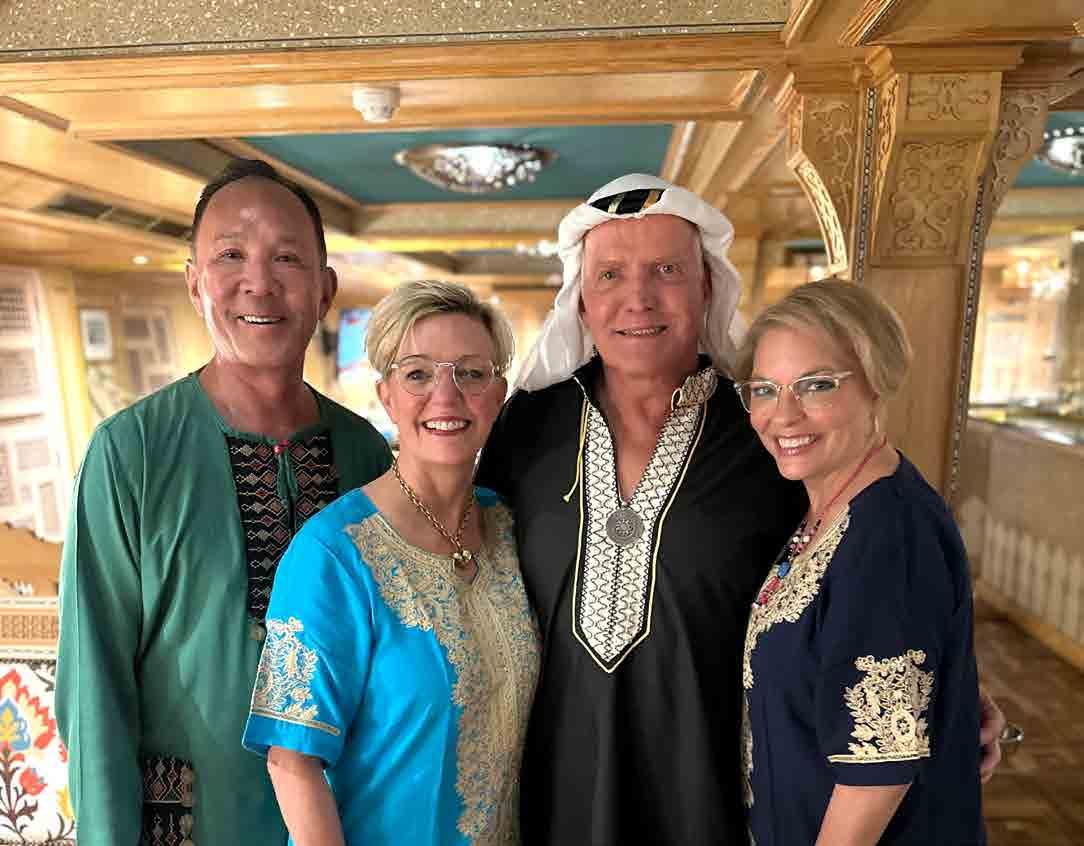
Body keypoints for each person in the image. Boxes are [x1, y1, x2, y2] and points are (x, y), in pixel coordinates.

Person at [476, 173, 1005, 845]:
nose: (637, 298)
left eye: (666, 270)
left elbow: (862, 587)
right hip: (556, 792)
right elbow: (474, 584)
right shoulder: (525, 429)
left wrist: (946, 684)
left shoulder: (766, 434)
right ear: (580, 297)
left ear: (707, 285)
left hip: (724, 800)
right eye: (609, 275)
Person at [56, 159, 392, 845]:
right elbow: (93, 684)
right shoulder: (131, 451)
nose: (258, 283)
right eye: (230, 256)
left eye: (287, 258)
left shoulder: (365, 454)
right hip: (186, 824)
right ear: (194, 283)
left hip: (342, 821)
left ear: (325, 290)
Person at [242, 280, 540, 846]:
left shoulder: (509, 529)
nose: (446, 396)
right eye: (418, 374)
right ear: (387, 396)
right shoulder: (333, 555)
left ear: (497, 394)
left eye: (471, 373)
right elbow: (292, 760)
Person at [735, 280, 985, 845]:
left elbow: (877, 773)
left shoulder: (888, 535)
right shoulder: (829, 504)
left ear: (878, 382)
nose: (783, 415)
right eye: (765, 390)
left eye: (816, 385)